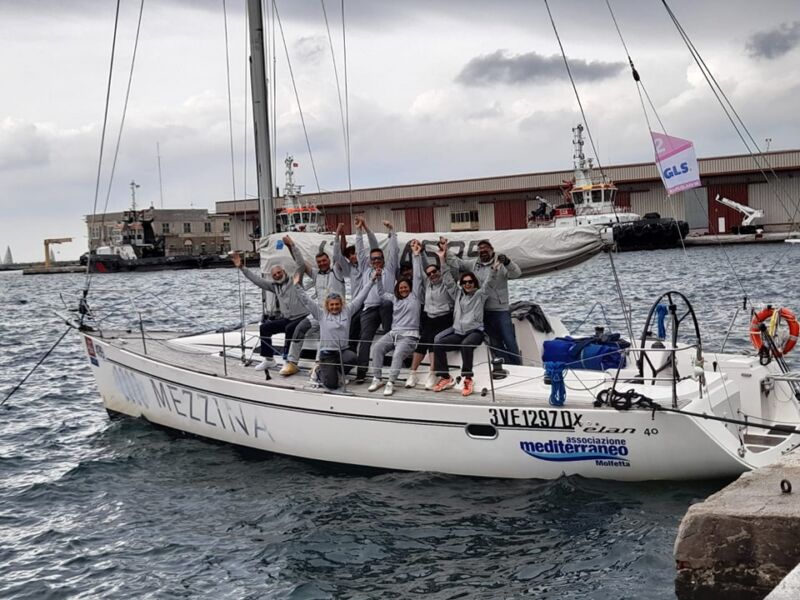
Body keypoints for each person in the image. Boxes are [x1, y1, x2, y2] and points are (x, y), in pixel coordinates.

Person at [294, 268, 379, 390]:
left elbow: (361, 297)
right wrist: (297, 286)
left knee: (353, 357)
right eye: (332, 305)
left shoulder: (347, 311)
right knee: (332, 386)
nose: (335, 307)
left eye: (337, 304)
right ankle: (318, 372)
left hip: (342, 352)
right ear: (327, 306)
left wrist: (372, 280)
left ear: (341, 304)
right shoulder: (321, 314)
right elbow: (307, 301)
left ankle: (337, 372)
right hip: (327, 354)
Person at [432, 249, 500, 396]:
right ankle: (445, 377)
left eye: (470, 282)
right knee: (438, 344)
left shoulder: (480, 295)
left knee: (466, 345)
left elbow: (489, 283)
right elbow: (448, 280)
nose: (467, 284)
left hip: (475, 332)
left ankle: (468, 378)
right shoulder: (457, 295)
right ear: (461, 284)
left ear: (474, 283)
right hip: (458, 332)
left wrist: (494, 269)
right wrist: (442, 260)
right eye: (464, 282)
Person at [232, 241, 309, 370]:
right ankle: (269, 359)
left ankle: (288, 360)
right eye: (274, 275)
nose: (277, 275)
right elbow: (257, 281)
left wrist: (292, 246)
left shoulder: (295, 280)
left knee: (290, 328)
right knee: (265, 328)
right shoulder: (274, 287)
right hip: (288, 318)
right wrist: (242, 268)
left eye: (279, 272)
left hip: (302, 317)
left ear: (283, 271)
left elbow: (301, 264)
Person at [445, 238, 522, 366]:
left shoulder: (501, 264)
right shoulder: (473, 264)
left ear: (492, 250)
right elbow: (458, 263)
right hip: (482, 309)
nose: (483, 251)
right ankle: (507, 364)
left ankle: (518, 365)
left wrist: (508, 262)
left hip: (500, 309)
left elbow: (517, 274)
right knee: (494, 341)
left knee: (509, 339)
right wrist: (445, 251)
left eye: (485, 248)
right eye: (480, 249)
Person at [282, 235, 348, 376]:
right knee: (300, 328)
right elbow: (300, 263)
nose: (322, 263)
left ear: (329, 260)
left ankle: (319, 364)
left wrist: (340, 234)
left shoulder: (337, 271)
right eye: (319, 262)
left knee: (324, 337)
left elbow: (341, 251)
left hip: (335, 313)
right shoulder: (316, 274)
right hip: (318, 313)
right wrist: (290, 246)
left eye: (324, 260)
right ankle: (292, 362)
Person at [367, 239, 425, 396]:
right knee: (377, 348)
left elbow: (418, 277)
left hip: (409, 336)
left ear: (410, 288)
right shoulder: (395, 298)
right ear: (397, 289)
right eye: (401, 287)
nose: (403, 289)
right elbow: (380, 293)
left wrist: (416, 255)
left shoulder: (415, 297)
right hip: (394, 334)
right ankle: (377, 378)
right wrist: (378, 279)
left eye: (406, 287)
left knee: (398, 354)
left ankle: (391, 382)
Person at [406, 238, 455, 389]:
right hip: (430, 318)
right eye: (430, 273)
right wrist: (417, 254)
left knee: (433, 341)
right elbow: (420, 274)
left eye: (435, 271)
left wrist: (443, 257)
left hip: (444, 318)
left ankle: (432, 373)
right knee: (422, 342)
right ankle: (412, 373)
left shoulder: (447, 283)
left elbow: (445, 271)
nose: (432, 274)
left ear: (439, 272)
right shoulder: (428, 284)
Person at [354, 216, 398, 383]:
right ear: (370, 261)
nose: (376, 261)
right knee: (365, 339)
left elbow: (394, 250)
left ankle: (389, 360)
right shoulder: (366, 269)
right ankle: (361, 372)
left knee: (387, 304)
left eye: (379, 258)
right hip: (370, 308)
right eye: (373, 259)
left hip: (387, 307)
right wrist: (359, 230)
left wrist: (391, 231)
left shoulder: (390, 269)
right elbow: (359, 251)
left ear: (383, 259)